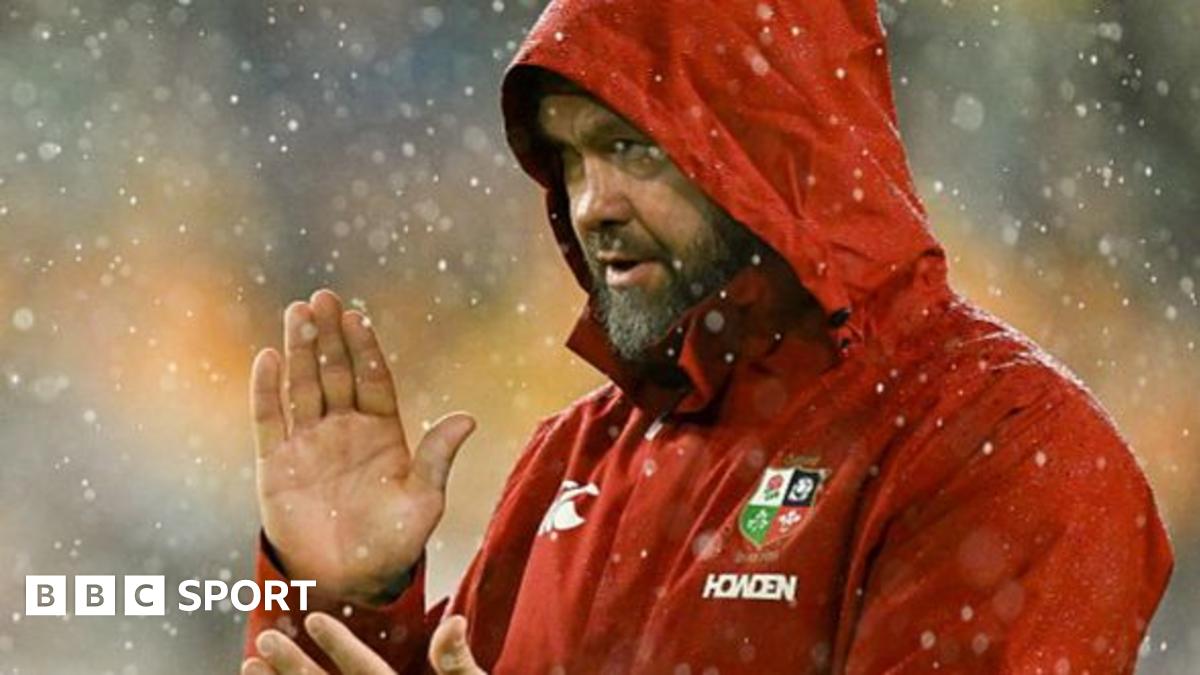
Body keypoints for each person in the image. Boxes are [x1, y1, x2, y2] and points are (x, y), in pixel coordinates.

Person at [239, 0, 1174, 672]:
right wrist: (344, 592)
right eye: (569, 156)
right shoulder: (577, 459)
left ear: (772, 144)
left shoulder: (1010, 445)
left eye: (633, 148)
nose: (590, 205)